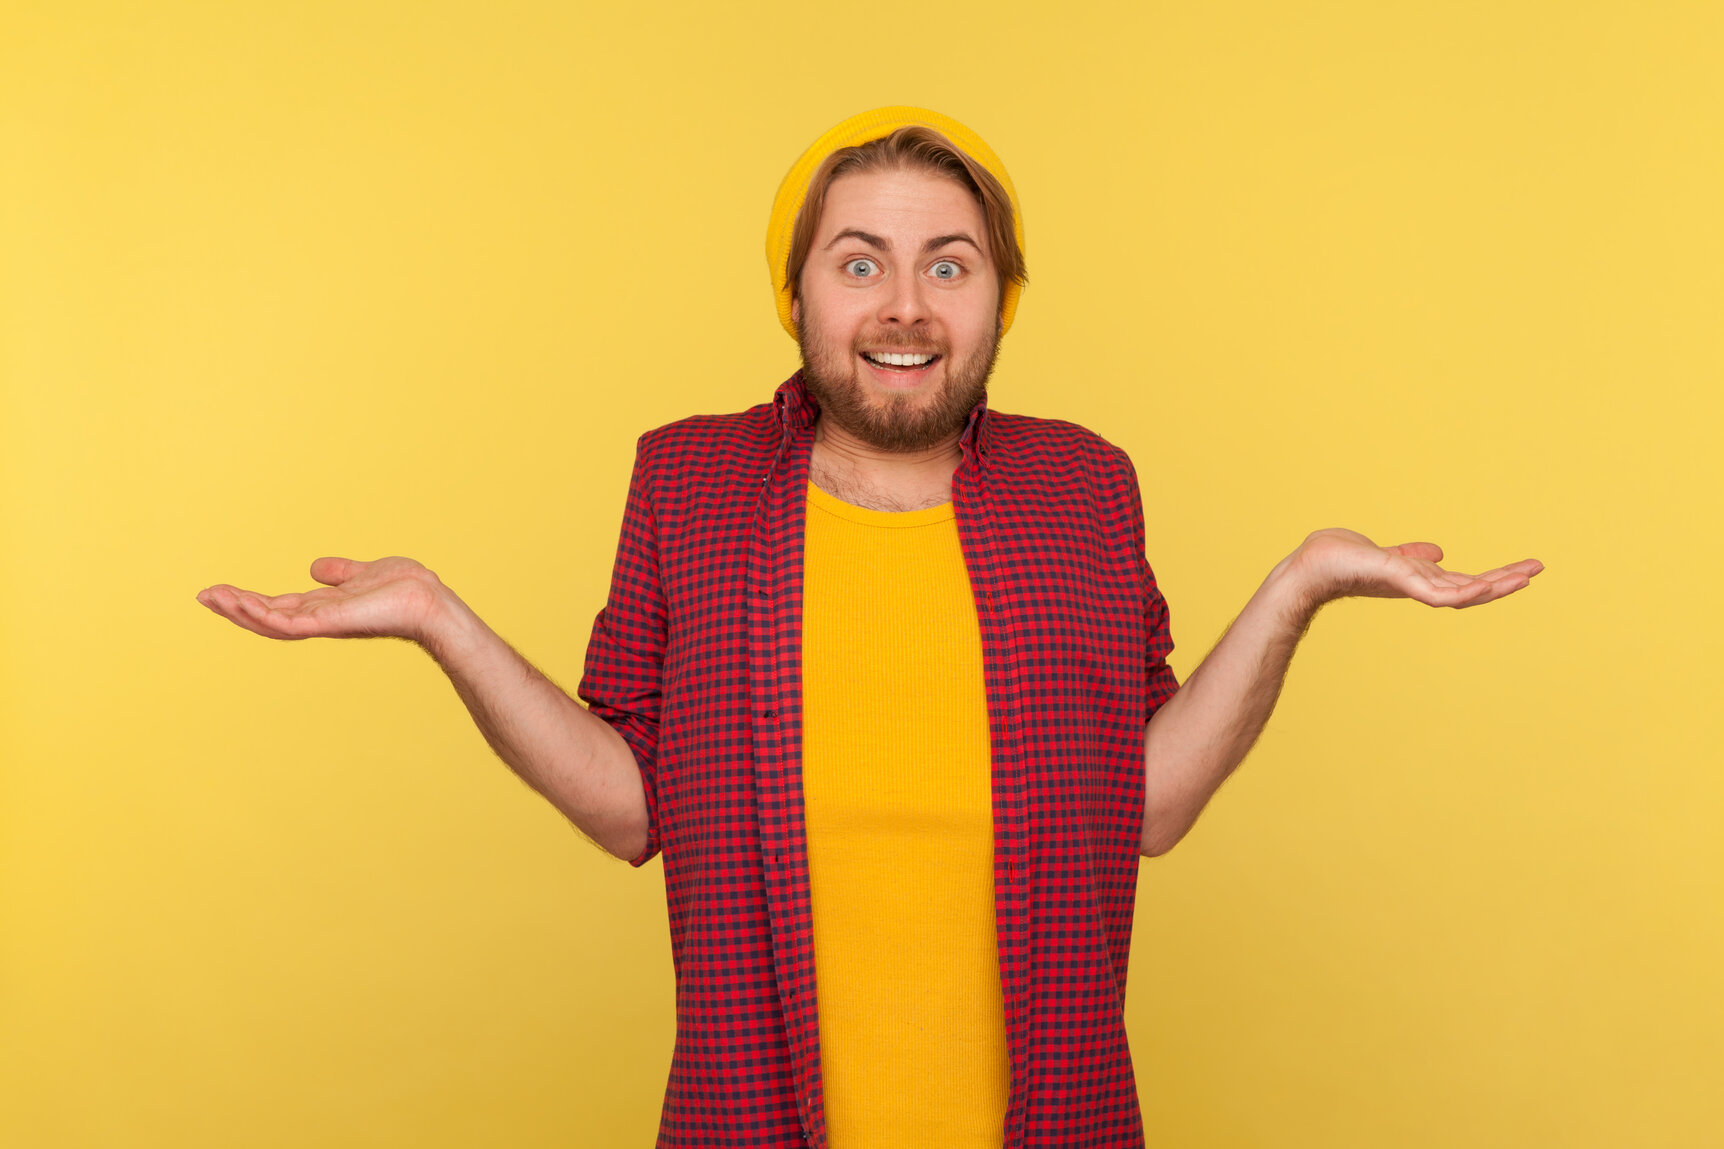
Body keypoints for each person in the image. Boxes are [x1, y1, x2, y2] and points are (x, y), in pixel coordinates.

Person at [196, 107, 1544, 1149]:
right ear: (800, 298)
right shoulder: (689, 482)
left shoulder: (1084, 488)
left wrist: (1299, 584)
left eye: (948, 266)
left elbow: (1142, 803)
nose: (905, 306)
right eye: (862, 263)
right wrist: (442, 619)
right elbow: (628, 806)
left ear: (999, 298)